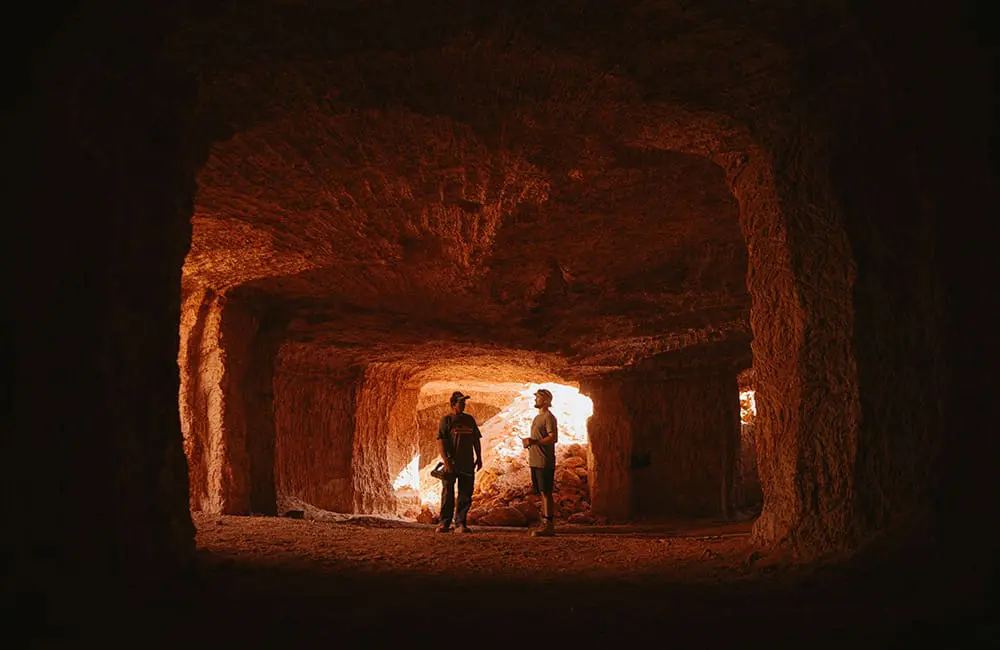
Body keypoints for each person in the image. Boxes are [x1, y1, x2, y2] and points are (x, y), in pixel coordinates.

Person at [436, 391, 483, 533]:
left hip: (467, 462)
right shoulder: (447, 421)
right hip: (452, 462)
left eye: (464, 403)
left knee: (465, 492)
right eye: (460, 402)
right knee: (447, 492)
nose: (463, 405)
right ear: (453, 404)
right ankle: (444, 522)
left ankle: (460, 523)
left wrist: (479, 457)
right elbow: (441, 442)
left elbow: (476, 439)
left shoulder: (470, 420)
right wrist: (446, 461)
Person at [521, 387, 558, 536]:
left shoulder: (549, 417)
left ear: (546, 400)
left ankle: (549, 525)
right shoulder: (537, 417)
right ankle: (545, 522)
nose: (536, 399)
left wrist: (534, 441)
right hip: (535, 460)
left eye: (538, 397)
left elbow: (553, 437)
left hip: (544, 460)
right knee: (541, 492)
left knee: (546, 492)